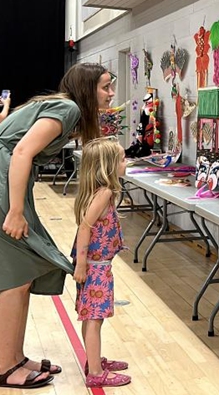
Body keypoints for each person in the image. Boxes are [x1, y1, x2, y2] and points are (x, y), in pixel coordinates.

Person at [0, 63, 113, 389]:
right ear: (87, 88)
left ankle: (14, 358)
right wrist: (16, 210)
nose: (110, 94)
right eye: (105, 87)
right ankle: (6, 366)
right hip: (5, 179)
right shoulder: (68, 108)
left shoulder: (67, 109)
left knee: (23, 272)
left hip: (9, 176)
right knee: (16, 274)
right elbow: (20, 151)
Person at [71, 137, 130, 388]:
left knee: (92, 317)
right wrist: (82, 265)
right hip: (95, 268)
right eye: (122, 159)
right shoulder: (104, 193)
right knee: (94, 319)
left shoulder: (103, 192)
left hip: (96, 266)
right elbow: (85, 227)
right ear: (109, 165)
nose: (126, 162)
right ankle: (95, 372)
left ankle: (93, 360)